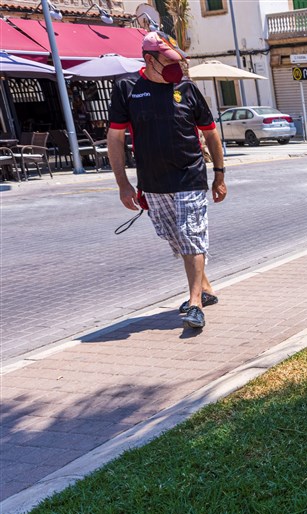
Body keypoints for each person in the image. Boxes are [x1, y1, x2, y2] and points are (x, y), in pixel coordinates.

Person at [107, 31, 226, 330]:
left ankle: (195, 303)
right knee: (176, 238)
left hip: (190, 176)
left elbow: (211, 133)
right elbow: (115, 138)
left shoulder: (187, 88)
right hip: (153, 182)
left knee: (191, 235)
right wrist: (123, 183)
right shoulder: (127, 88)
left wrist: (219, 174)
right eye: (169, 62)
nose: (176, 68)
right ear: (149, 60)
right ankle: (206, 289)